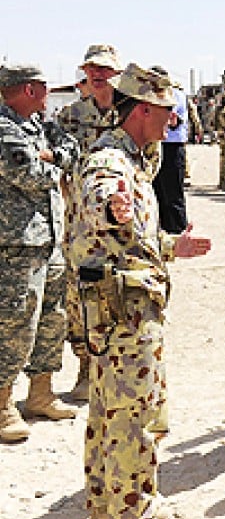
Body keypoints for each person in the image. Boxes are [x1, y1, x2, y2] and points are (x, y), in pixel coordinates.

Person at [67, 63, 211, 519]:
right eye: (168, 111)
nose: (172, 121)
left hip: (118, 304)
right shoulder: (112, 161)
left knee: (108, 411)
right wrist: (114, 208)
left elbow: (130, 241)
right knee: (135, 415)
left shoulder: (134, 158)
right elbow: (103, 202)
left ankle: (108, 511)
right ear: (143, 109)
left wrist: (173, 247)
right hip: (124, 311)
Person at [0, 64, 79, 443]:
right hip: (15, 243)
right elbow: (27, 173)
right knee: (15, 323)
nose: (49, 94)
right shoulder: (4, 127)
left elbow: (72, 151)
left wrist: (53, 157)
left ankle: (41, 393)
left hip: (49, 236)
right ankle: (2, 405)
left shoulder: (39, 125)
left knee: (52, 317)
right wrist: (54, 165)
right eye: (44, 88)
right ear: (28, 89)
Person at [57, 43, 125, 401]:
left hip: (120, 221)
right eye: (92, 69)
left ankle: (117, 369)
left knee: (119, 291)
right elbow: (57, 160)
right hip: (80, 221)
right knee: (79, 294)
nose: (98, 75)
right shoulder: (70, 115)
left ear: (117, 72)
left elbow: (151, 159)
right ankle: (86, 369)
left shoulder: (130, 112)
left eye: (105, 69)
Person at [152, 76, 189, 234]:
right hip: (156, 144)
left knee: (172, 192)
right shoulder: (153, 94)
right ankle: (162, 227)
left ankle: (178, 229)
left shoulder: (175, 95)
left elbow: (173, 120)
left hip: (172, 146)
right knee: (157, 189)